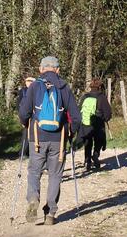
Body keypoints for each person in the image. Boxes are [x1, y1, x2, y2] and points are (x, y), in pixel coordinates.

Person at [18, 56, 81, 225]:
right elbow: (76, 117)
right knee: (55, 175)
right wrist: (70, 133)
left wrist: (26, 126)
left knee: (34, 172)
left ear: (40, 69)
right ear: (58, 70)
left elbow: (23, 112)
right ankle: (51, 213)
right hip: (58, 139)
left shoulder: (34, 86)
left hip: (37, 137)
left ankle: (33, 198)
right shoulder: (64, 87)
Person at [78, 78, 113, 171]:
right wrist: (106, 118)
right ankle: (96, 155)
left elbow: (79, 109)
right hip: (98, 123)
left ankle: (87, 160)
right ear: (100, 87)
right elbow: (108, 113)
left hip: (87, 123)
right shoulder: (102, 97)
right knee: (99, 140)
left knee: (88, 142)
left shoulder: (85, 96)